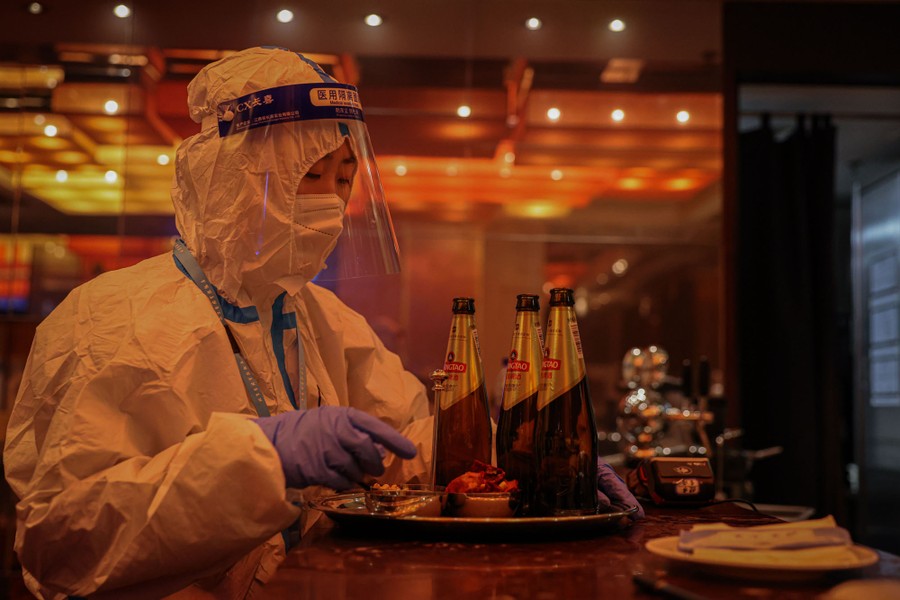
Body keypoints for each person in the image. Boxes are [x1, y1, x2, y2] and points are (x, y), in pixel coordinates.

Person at [3, 47, 641, 599]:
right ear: (233, 178)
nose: (332, 203)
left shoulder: (320, 317)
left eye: (342, 178)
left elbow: (417, 444)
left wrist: (529, 464)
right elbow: (62, 542)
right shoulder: (107, 320)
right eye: (308, 175)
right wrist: (261, 462)